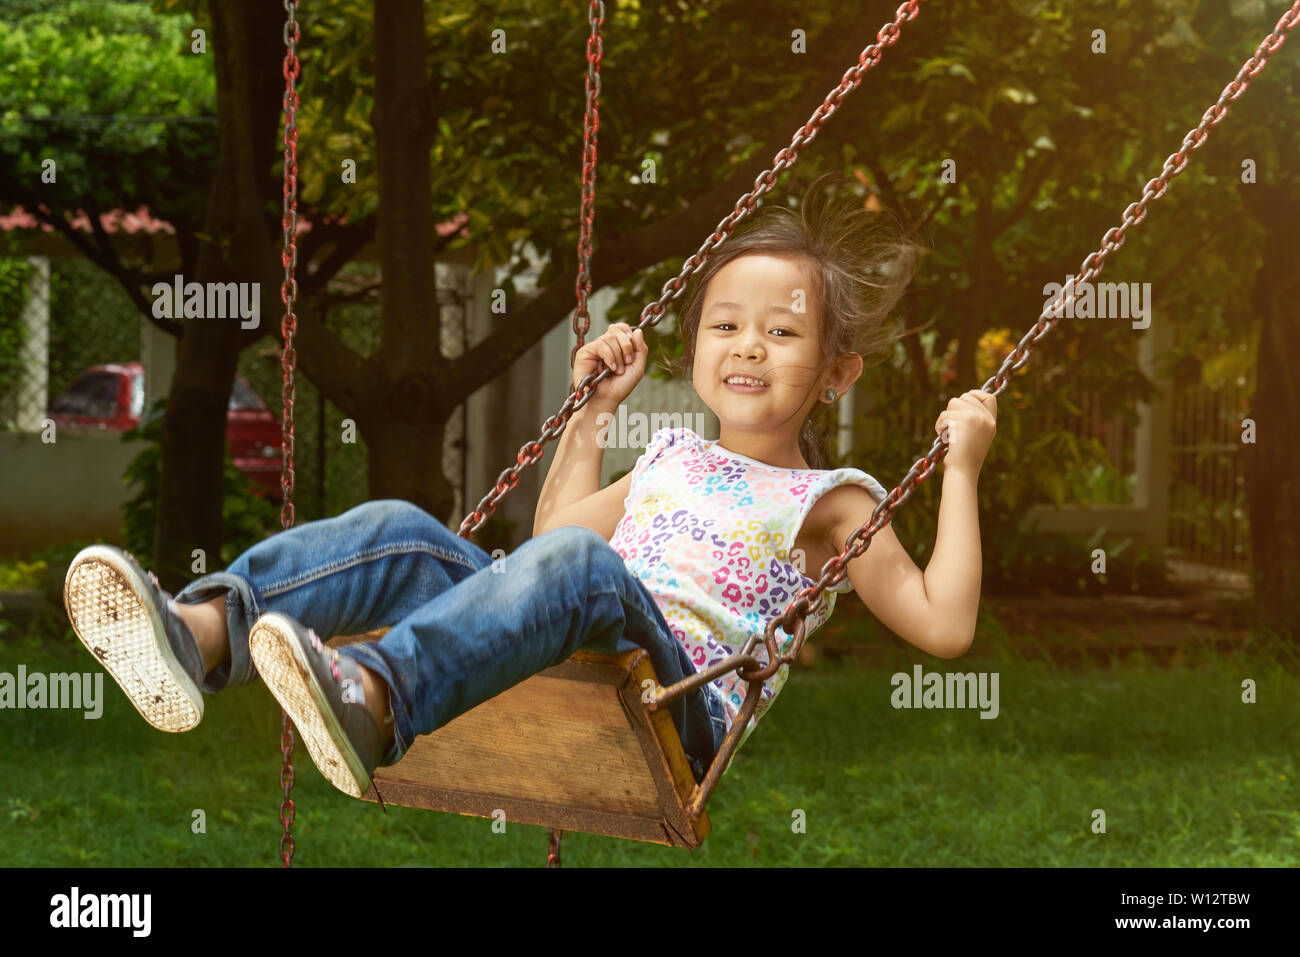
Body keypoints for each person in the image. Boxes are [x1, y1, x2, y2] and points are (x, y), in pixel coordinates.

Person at [63, 178, 997, 802]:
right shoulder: (669, 457)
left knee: (587, 566)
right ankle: (201, 634)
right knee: (403, 527)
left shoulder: (835, 499)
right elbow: (550, 543)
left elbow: (943, 624)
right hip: (583, 652)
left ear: (837, 372)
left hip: (680, 704)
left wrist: (959, 466)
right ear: (698, 344)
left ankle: (375, 701)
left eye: (782, 334)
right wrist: (592, 413)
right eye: (725, 324)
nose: (748, 345)